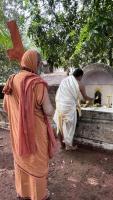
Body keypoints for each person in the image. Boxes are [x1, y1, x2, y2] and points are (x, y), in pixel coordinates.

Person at [3, 49, 57, 200]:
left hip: (17, 133)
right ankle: (39, 196)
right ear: (36, 63)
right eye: (40, 63)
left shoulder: (11, 79)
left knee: (22, 160)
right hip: (36, 135)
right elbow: (48, 110)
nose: (40, 66)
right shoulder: (37, 83)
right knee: (37, 164)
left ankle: (23, 193)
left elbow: (5, 107)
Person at [54, 68, 93, 150]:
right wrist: (92, 99)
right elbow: (85, 98)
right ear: (80, 76)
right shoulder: (80, 84)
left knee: (60, 126)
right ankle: (69, 146)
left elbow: (61, 93)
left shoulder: (64, 81)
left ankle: (62, 145)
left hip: (60, 105)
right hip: (69, 108)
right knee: (70, 127)